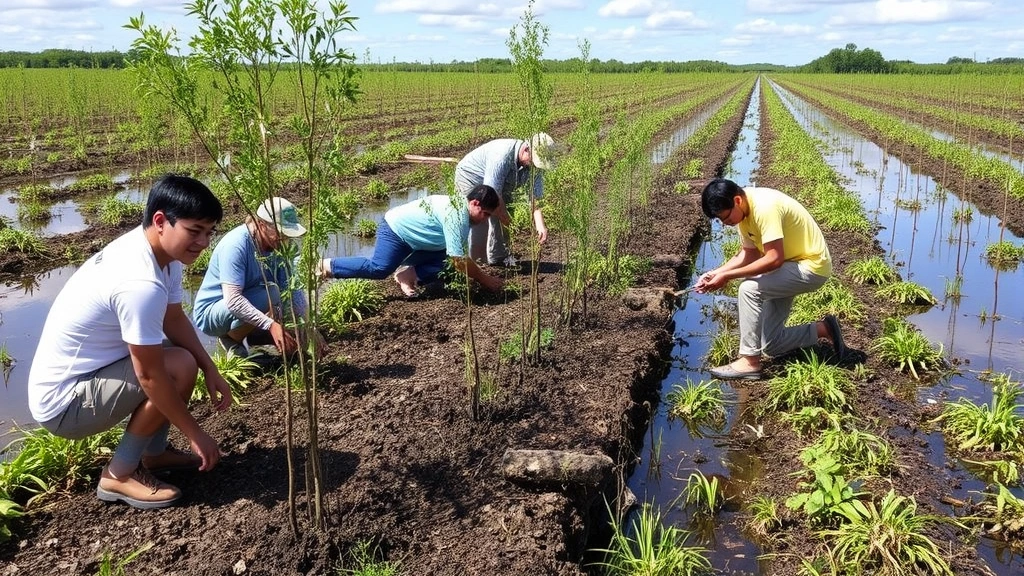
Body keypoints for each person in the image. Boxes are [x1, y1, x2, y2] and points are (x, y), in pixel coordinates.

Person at [27, 174, 231, 510]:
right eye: (195, 231)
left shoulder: (161, 254)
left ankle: (154, 454)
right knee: (177, 366)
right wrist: (196, 434)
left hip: (91, 376)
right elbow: (149, 376)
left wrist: (211, 367)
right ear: (161, 221)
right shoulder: (140, 281)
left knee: (184, 360)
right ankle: (119, 474)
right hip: (64, 403)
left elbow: (174, 318)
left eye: (210, 232)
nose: (203, 242)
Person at [694, 178, 845, 380]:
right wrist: (717, 272)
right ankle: (824, 329)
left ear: (737, 200)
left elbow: (774, 259)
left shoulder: (765, 207)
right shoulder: (744, 213)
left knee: (748, 289)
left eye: (726, 217)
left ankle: (749, 362)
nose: (725, 223)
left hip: (811, 267)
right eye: (721, 220)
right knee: (771, 344)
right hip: (790, 266)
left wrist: (728, 276)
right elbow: (749, 254)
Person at [193, 197, 322, 359]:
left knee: (278, 297)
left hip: (248, 298)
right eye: (280, 233)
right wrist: (270, 325)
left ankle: (253, 335)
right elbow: (233, 300)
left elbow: (290, 288)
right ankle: (230, 339)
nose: (285, 239)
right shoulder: (236, 245)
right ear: (261, 225)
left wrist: (306, 329)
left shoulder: (278, 247)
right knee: (272, 293)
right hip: (212, 313)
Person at [320, 185, 505, 295]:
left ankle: (407, 275)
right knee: (379, 268)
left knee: (449, 261)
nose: (484, 219)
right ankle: (326, 266)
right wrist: (485, 279)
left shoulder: (465, 215)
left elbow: (456, 257)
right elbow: (459, 260)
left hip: (419, 241)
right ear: (474, 203)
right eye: (485, 214)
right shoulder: (457, 214)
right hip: (397, 231)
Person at [454, 133, 556, 266]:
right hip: (471, 178)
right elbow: (492, 194)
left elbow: (534, 196)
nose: (534, 167)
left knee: (504, 214)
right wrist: (505, 217)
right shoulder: (502, 155)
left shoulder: (533, 166)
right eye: (533, 161)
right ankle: (478, 263)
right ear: (526, 149)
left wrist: (540, 225)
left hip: (498, 186)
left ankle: (498, 258)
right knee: (480, 216)